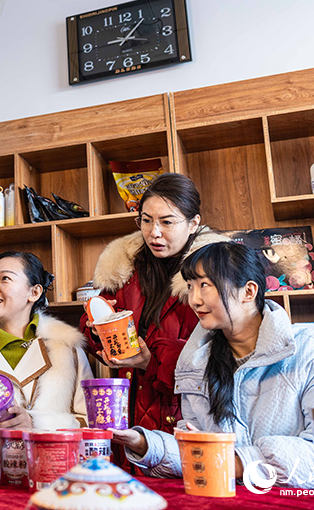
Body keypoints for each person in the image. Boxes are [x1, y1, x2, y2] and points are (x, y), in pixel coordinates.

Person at [113, 242, 314, 489]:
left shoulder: (313, 353)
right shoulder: (196, 364)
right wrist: (146, 444)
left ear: (249, 291)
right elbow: (200, 457)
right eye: (190, 287)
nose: (194, 300)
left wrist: (238, 464)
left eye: (204, 285)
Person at [81, 174, 230, 442]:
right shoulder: (124, 266)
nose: (153, 232)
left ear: (193, 223)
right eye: (146, 220)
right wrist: (97, 331)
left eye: (167, 222)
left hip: (184, 414)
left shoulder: (216, 276)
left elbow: (224, 354)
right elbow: (91, 325)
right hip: (126, 409)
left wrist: (151, 362)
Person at [0, 251, 93, 465]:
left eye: (5, 278)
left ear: (34, 292)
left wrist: (35, 422)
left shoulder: (67, 348)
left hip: (49, 475)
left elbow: (90, 424)